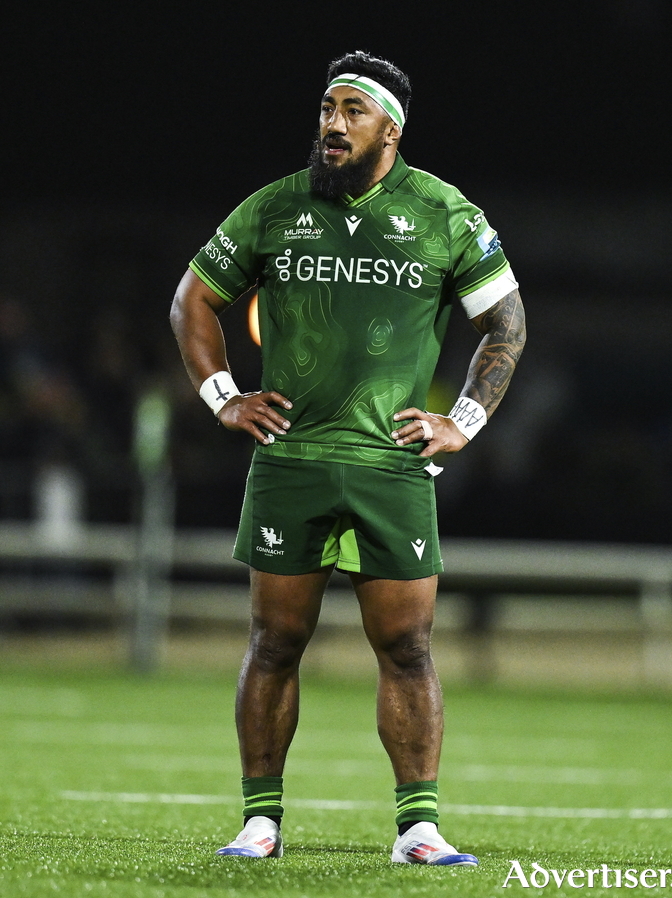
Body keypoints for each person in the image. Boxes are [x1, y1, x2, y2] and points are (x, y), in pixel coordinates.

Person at [170, 49, 526, 867]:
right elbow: (193, 299)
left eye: (350, 112)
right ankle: (259, 824)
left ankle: (419, 831)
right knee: (272, 642)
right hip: (289, 459)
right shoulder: (274, 208)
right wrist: (222, 395)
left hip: (390, 464)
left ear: (388, 129)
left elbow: (505, 323)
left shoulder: (442, 212)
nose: (331, 125)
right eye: (325, 111)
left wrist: (464, 419)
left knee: (407, 648)